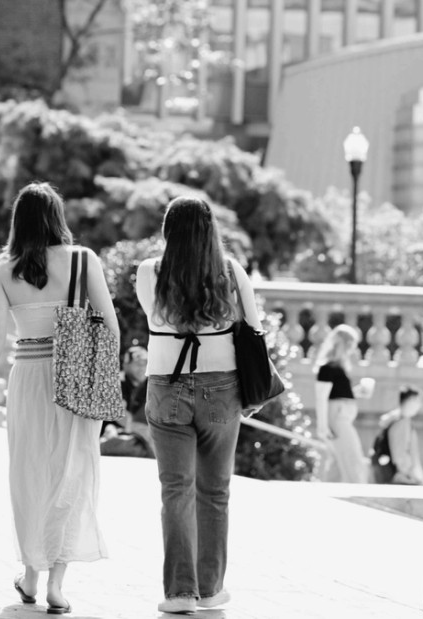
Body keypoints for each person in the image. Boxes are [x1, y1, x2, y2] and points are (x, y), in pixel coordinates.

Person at [0, 183, 115, 616]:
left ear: (19, 222)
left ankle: (30, 575)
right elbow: (109, 326)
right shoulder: (82, 260)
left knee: (29, 474)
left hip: (28, 376)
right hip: (75, 374)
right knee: (71, 475)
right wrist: (101, 384)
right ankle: (55, 583)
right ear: (58, 218)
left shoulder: (2, 272)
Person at [135, 196, 262, 615]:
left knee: (176, 490)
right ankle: (209, 590)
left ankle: (179, 593)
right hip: (221, 388)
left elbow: (155, 319)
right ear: (211, 232)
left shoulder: (149, 272)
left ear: (168, 231)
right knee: (216, 491)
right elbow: (254, 328)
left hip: (167, 384)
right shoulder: (230, 271)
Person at [313, 324, 373, 483]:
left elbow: (336, 394)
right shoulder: (327, 368)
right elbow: (321, 398)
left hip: (341, 416)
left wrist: (355, 392)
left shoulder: (338, 367)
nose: (352, 350)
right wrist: (322, 427)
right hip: (337, 418)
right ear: (344, 345)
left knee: (337, 464)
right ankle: (359, 498)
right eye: (351, 345)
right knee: (353, 459)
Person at [372, 384, 423, 485]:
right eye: (418, 400)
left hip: (391, 474)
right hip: (400, 476)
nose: (420, 405)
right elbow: (399, 454)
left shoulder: (394, 419)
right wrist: (411, 476)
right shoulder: (402, 422)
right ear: (411, 400)